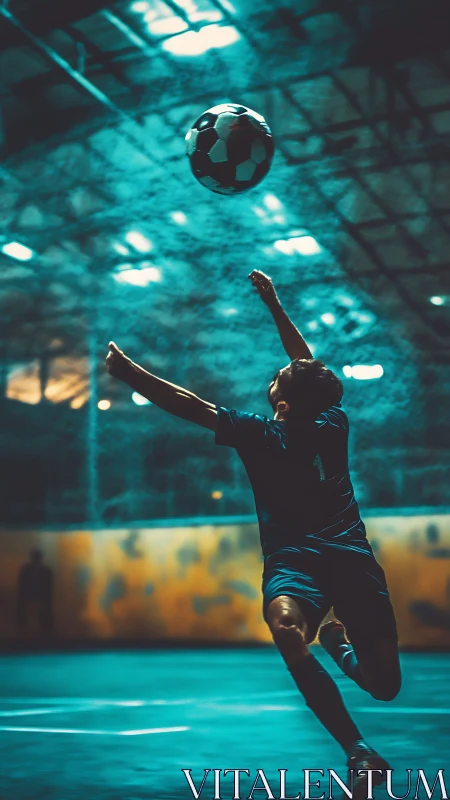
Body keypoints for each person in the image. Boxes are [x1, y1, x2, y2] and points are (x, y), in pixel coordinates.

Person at [106, 270, 401, 796]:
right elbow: (304, 367)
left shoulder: (300, 428)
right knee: (285, 627)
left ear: (282, 401)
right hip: (293, 562)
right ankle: (359, 751)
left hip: (351, 559)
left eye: (279, 377)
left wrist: (129, 372)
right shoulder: (312, 420)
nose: (279, 373)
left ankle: (337, 644)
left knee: (385, 688)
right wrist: (274, 304)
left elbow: (188, 403)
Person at [17, 549, 54, 636]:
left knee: (39, 616)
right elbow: (22, 584)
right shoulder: (44, 570)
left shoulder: (28, 569)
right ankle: (31, 631)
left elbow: (49, 587)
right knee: (31, 616)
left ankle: (37, 631)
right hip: (32, 597)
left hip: (36, 597)